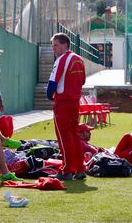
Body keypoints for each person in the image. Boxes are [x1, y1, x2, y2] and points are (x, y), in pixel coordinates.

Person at [46, 33, 86, 181]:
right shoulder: (79, 59)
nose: (54, 49)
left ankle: (67, 169)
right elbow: (82, 80)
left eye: (55, 45)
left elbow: (52, 83)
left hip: (63, 102)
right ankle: (80, 168)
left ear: (64, 44)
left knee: (64, 137)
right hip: (75, 101)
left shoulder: (61, 59)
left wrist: (50, 96)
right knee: (75, 135)